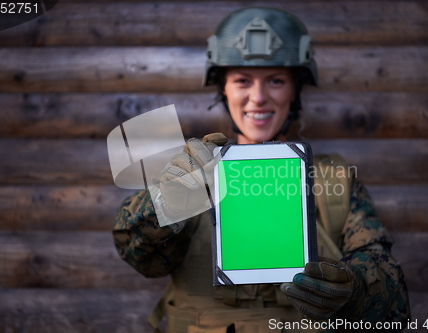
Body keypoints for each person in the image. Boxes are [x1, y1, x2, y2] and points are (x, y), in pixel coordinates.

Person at [112, 7, 410, 333]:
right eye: (242, 80)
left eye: (276, 81)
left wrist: (353, 290)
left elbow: (389, 287)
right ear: (222, 89)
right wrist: (168, 203)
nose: (258, 97)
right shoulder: (190, 172)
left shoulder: (332, 180)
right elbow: (140, 256)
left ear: (294, 90)